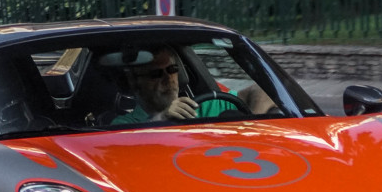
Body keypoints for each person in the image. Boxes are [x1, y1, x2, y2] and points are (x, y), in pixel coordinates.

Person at [111, 46, 275, 124]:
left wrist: (255, 124)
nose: (168, 78)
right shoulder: (124, 123)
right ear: (135, 82)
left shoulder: (204, 105)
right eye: (156, 74)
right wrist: (161, 118)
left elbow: (262, 90)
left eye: (172, 69)